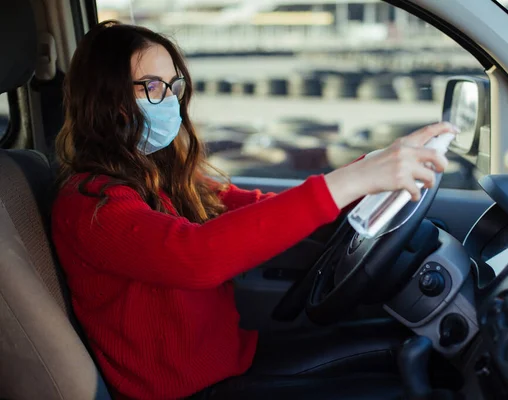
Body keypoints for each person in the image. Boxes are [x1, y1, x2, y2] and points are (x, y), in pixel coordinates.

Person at [52, 20, 455, 400]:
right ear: (108, 100)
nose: (170, 100)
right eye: (152, 86)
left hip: (233, 359)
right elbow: (196, 256)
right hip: (189, 391)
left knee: (414, 348)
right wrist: (353, 181)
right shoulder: (90, 204)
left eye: (174, 85)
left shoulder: (161, 177)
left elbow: (263, 211)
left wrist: (375, 167)